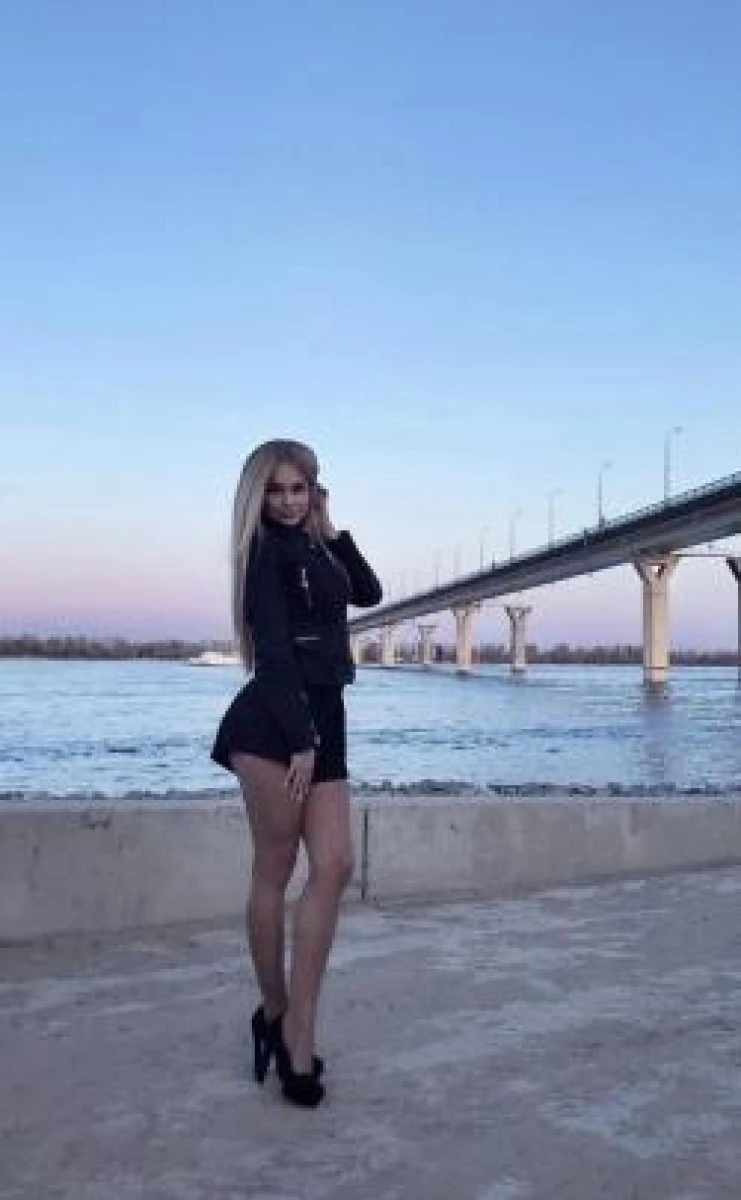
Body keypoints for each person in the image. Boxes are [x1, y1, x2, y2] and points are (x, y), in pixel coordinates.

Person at [211, 438, 382, 1108]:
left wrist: (332, 530)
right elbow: (275, 656)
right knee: (275, 869)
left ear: (314, 491)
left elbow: (369, 592)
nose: (287, 502)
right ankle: (279, 1015)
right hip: (274, 727)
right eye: (276, 491)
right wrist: (302, 743)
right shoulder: (264, 556)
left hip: (324, 718)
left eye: (298, 489)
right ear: (258, 498)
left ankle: (296, 1026)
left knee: (334, 864)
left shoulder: (317, 548)